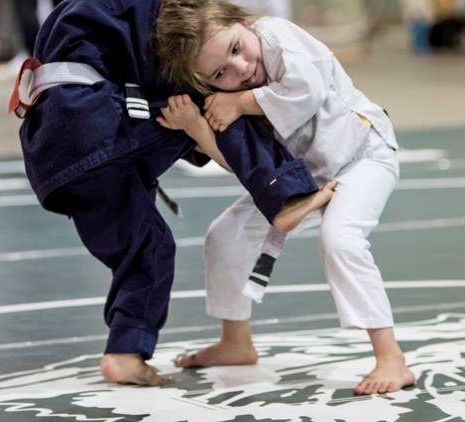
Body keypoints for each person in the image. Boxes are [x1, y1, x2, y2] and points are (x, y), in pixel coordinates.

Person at [9, 0, 334, 387]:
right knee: (215, 105)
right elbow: (176, 54)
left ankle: (124, 353)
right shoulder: (154, 13)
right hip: (91, 120)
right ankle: (286, 195)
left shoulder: (89, 13)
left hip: (51, 146)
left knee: (148, 244)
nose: (243, 70)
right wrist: (240, 101)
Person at [153, 0, 416, 395]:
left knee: (340, 240)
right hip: (304, 180)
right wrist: (197, 128)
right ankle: (235, 342)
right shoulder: (228, 95)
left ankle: (392, 357)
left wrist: (239, 102)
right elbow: (245, 167)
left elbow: (305, 91)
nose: (240, 69)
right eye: (221, 72)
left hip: (363, 155)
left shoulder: (277, 37)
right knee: (225, 235)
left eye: (237, 48)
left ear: (242, 23)